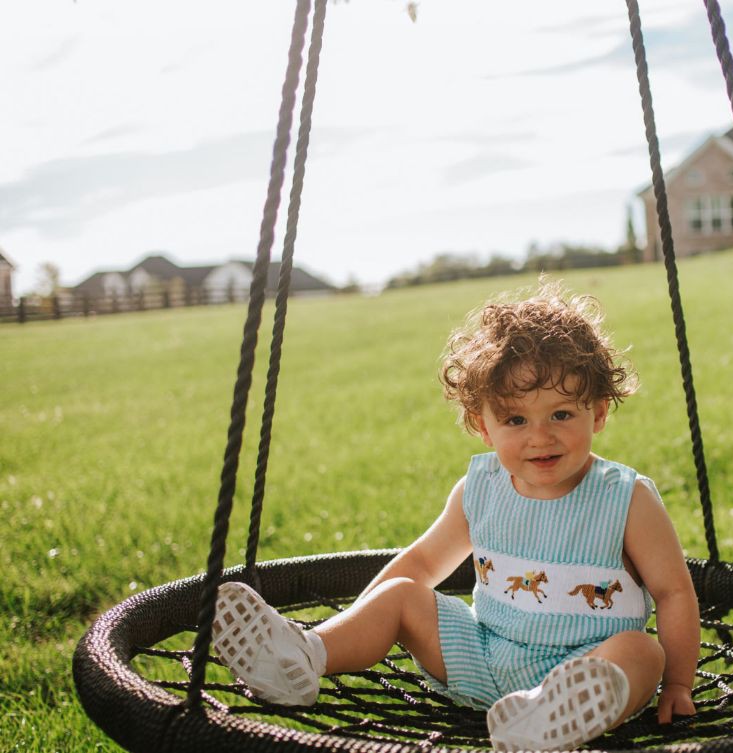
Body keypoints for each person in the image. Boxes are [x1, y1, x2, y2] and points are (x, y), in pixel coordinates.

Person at [212, 282, 699, 750]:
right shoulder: (479, 489)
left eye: (562, 415)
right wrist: (358, 621)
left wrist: (678, 682)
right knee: (404, 595)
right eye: (515, 420)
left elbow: (672, 592)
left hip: (586, 662)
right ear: (481, 427)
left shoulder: (626, 498)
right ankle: (303, 655)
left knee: (642, 651)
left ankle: (552, 715)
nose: (540, 437)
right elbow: (422, 563)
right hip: (480, 654)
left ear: (597, 414)